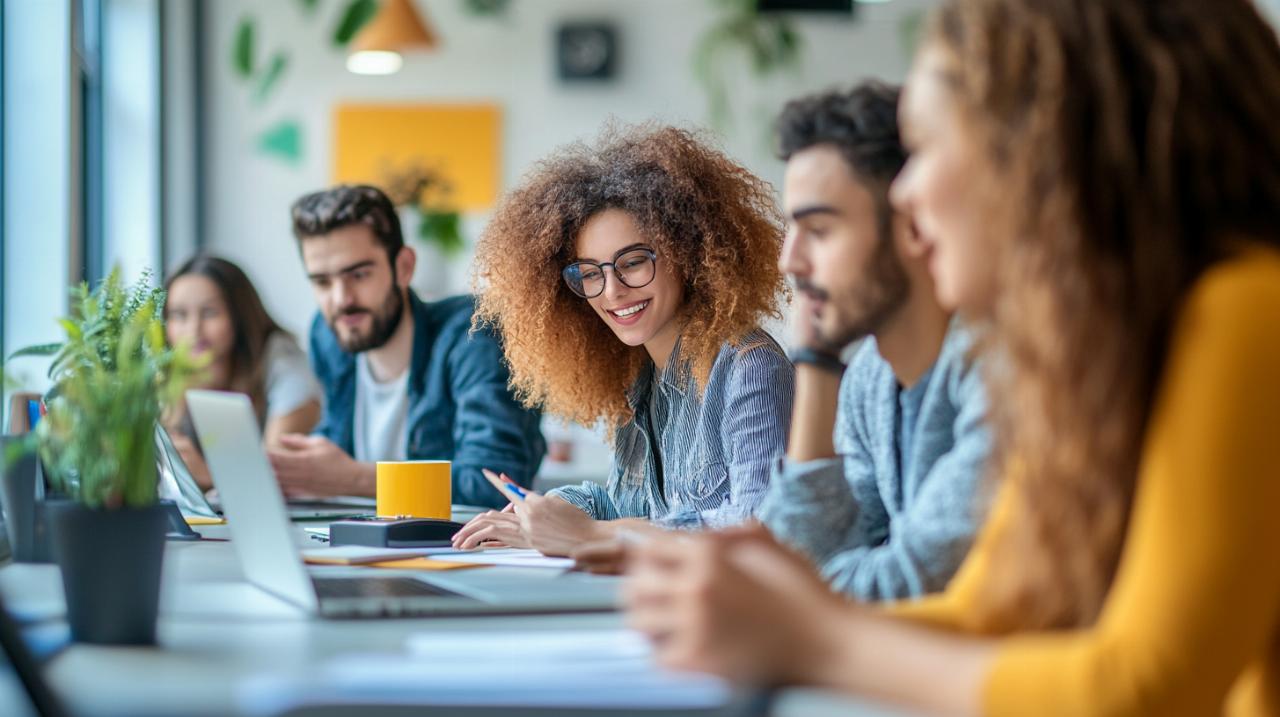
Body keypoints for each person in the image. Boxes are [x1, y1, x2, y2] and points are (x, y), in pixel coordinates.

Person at [623, 0, 1280, 714]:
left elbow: (1144, 685)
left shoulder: (1248, 307)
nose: (906, 192)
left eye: (927, 146)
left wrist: (815, 639)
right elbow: (989, 610)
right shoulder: (1087, 360)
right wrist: (769, 623)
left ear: (1043, 145)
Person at [451, 125, 795, 556]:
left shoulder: (748, 367)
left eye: (633, 262)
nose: (612, 291)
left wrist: (594, 535)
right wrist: (545, 512)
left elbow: (759, 528)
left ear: (688, 254)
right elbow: (625, 507)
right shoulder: (639, 378)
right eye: (591, 273)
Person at [755, 82, 991, 600]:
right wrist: (816, 364)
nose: (789, 262)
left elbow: (914, 583)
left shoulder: (995, 369)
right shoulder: (869, 379)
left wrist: (779, 590)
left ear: (912, 225)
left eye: (818, 230)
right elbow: (805, 551)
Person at [267, 185, 545, 509]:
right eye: (322, 282)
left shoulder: (472, 335)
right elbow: (337, 443)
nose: (341, 299)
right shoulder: (328, 337)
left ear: (404, 267)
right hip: (358, 544)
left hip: (461, 550)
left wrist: (355, 478)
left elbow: (498, 483)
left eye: (359, 275)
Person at [163, 255, 322, 489]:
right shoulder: (165, 374)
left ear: (239, 316)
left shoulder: (284, 364)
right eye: (178, 315)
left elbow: (273, 480)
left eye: (209, 312)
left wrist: (209, 477)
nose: (193, 330)